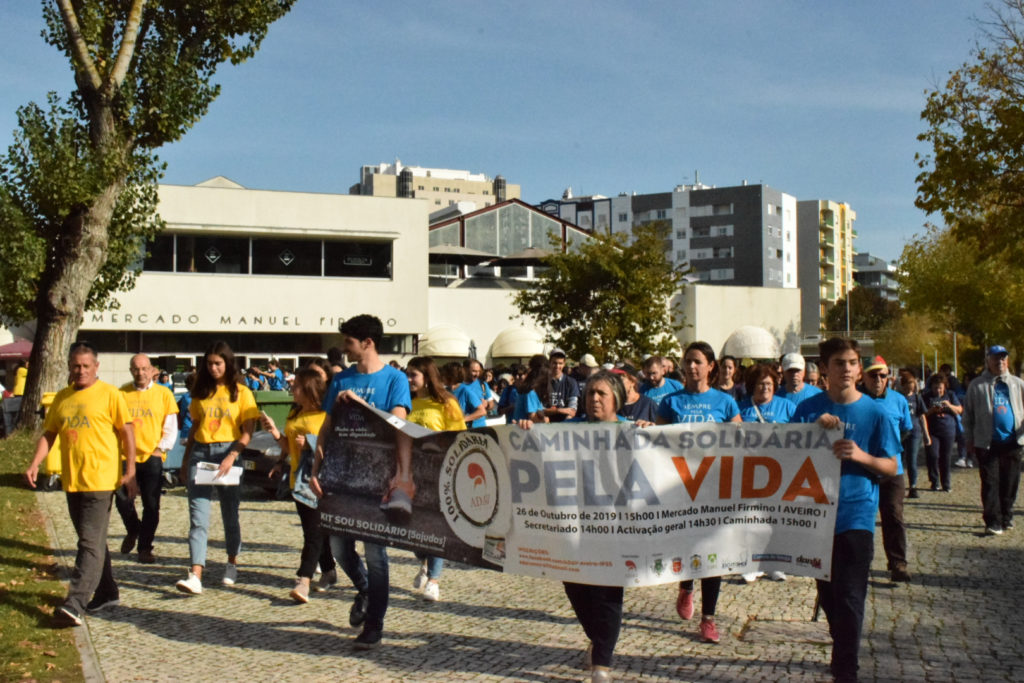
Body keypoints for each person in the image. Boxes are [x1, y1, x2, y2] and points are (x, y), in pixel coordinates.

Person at [791, 337, 900, 683]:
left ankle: (845, 671)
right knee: (830, 597)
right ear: (825, 368)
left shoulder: (875, 411)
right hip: (816, 518)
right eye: (840, 363)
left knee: (851, 596)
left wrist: (861, 456)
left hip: (857, 515)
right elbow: (784, 457)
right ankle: (844, 649)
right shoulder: (807, 409)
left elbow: (892, 466)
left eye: (853, 362)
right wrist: (811, 433)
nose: (848, 370)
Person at [519, 370, 629, 682]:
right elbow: (541, 441)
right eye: (590, 393)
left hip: (614, 525)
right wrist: (528, 430)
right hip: (573, 524)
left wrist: (650, 433)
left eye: (601, 394)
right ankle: (599, 639)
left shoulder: (631, 431)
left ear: (616, 400)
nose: (594, 399)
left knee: (608, 591)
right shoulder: (571, 428)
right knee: (575, 585)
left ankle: (602, 665)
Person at [310, 314, 411, 650]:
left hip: (379, 479)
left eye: (349, 343)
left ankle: (374, 625)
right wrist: (315, 470)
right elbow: (326, 428)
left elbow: (399, 425)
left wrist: (402, 475)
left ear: (367, 342)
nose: (344, 349)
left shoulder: (395, 379)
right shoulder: (341, 380)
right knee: (339, 547)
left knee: (376, 554)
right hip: (341, 476)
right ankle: (365, 590)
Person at [24, 342, 137, 626]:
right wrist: (35, 462)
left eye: (86, 366)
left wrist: (131, 470)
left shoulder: (111, 395)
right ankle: (108, 591)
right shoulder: (62, 397)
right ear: (69, 366)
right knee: (93, 542)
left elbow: (127, 432)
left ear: (96, 367)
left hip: (100, 480)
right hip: (72, 479)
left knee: (88, 543)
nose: (81, 371)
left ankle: (75, 603)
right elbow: (49, 434)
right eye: (76, 366)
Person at [656, 341, 741, 644]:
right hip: (680, 488)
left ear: (710, 366)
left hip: (714, 488)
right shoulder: (670, 402)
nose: (691, 367)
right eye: (687, 361)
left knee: (713, 553)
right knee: (687, 545)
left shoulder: (726, 402)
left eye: (697, 362)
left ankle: (709, 618)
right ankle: (686, 586)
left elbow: (740, 441)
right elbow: (656, 442)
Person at [176, 341, 259, 595]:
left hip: (229, 452)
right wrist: (184, 459)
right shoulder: (200, 392)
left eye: (218, 364)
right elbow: (194, 429)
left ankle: (232, 562)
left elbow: (248, 433)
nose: (213, 368)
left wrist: (233, 454)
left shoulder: (242, 392)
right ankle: (196, 573)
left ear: (228, 364)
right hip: (201, 451)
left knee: (229, 514)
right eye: (209, 364)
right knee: (198, 516)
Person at [260, 367, 337, 603]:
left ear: (308, 389)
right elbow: (289, 446)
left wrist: (311, 443)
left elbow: (335, 449)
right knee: (315, 532)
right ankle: (329, 571)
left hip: (318, 483)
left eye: (296, 387)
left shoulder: (326, 415)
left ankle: (303, 579)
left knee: (312, 534)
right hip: (297, 480)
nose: (292, 390)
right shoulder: (295, 414)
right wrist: (274, 432)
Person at [405, 356, 467, 602]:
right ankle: (424, 561)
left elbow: (459, 435)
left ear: (426, 377)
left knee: (435, 526)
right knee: (412, 529)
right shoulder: (404, 402)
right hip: (411, 472)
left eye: (414, 375)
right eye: (407, 375)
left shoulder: (446, 403)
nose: (409, 380)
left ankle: (434, 581)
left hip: (440, 471)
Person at [116, 354, 179, 564]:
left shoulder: (163, 394)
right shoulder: (121, 393)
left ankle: (145, 547)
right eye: (136, 369)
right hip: (126, 456)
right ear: (130, 370)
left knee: (151, 505)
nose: (140, 373)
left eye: (144, 368)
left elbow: (170, 427)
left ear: (151, 370)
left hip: (152, 455)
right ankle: (133, 529)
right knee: (123, 499)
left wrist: (160, 449)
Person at [737, 362, 793, 583]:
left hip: (781, 471)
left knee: (776, 518)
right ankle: (751, 562)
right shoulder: (741, 409)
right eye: (760, 384)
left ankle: (775, 563)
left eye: (769, 384)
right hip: (749, 471)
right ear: (752, 386)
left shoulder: (787, 407)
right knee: (750, 518)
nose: (765, 388)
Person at [859, 356, 914, 582]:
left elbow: (906, 430)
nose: (879, 380)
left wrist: (889, 448)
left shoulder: (898, 400)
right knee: (862, 519)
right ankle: (860, 564)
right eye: (873, 375)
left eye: (883, 375)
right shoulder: (856, 399)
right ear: (863, 376)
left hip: (893, 470)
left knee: (893, 516)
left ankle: (898, 563)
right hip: (863, 469)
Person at [963, 345, 1024, 535]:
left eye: (1003, 358)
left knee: (1010, 482)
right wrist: (969, 439)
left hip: (1013, 441)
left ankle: (1006, 516)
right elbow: (968, 416)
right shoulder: (977, 385)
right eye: (996, 358)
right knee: (990, 482)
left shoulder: (1017, 384)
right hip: (986, 442)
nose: (1000, 362)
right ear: (988, 360)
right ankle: (993, 521)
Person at [922, 372, 962, 492]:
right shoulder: (926, 396)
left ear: (944, 386)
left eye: (940, 387)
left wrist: (949, 405)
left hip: (948, 430)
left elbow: (959, 410)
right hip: (932, 430)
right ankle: (934, 481)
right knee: (933, 456)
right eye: (935, 388)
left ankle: (946, 483)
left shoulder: (950, 395)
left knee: (946, 457)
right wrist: (932, 410)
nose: (938, 390)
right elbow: (922, 414)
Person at [896, 373, 931, 499]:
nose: (910, 388)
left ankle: (913, 486)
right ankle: (897, 486)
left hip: (915, 432)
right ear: (903, 385)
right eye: (908, 385)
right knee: (899, 460)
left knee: (912, 460)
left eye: (912, 385)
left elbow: (922, 416)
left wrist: (926, 434)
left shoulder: (917, 398)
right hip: (900, 432)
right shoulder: (898, 398)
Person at [544, 349, 579, 422]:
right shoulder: (542, 382)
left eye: (560, 363)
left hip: (565, 425)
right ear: (549, 363)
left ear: (564, 364)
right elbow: (539, 410)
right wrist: (558, 410)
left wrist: (565, 423)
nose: (557, 366)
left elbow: (572, 409)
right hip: (545, 424)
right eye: (554, 363)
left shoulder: (571, 382)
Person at [454, 360, 488, 428]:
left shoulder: (482, 384)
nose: (477, 374)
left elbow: (489, 406)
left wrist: (486, 404)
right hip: (464, 428)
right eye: (474, 371)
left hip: (479, 427)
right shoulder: (459, 386)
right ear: (465, 370)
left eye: (479, 371)